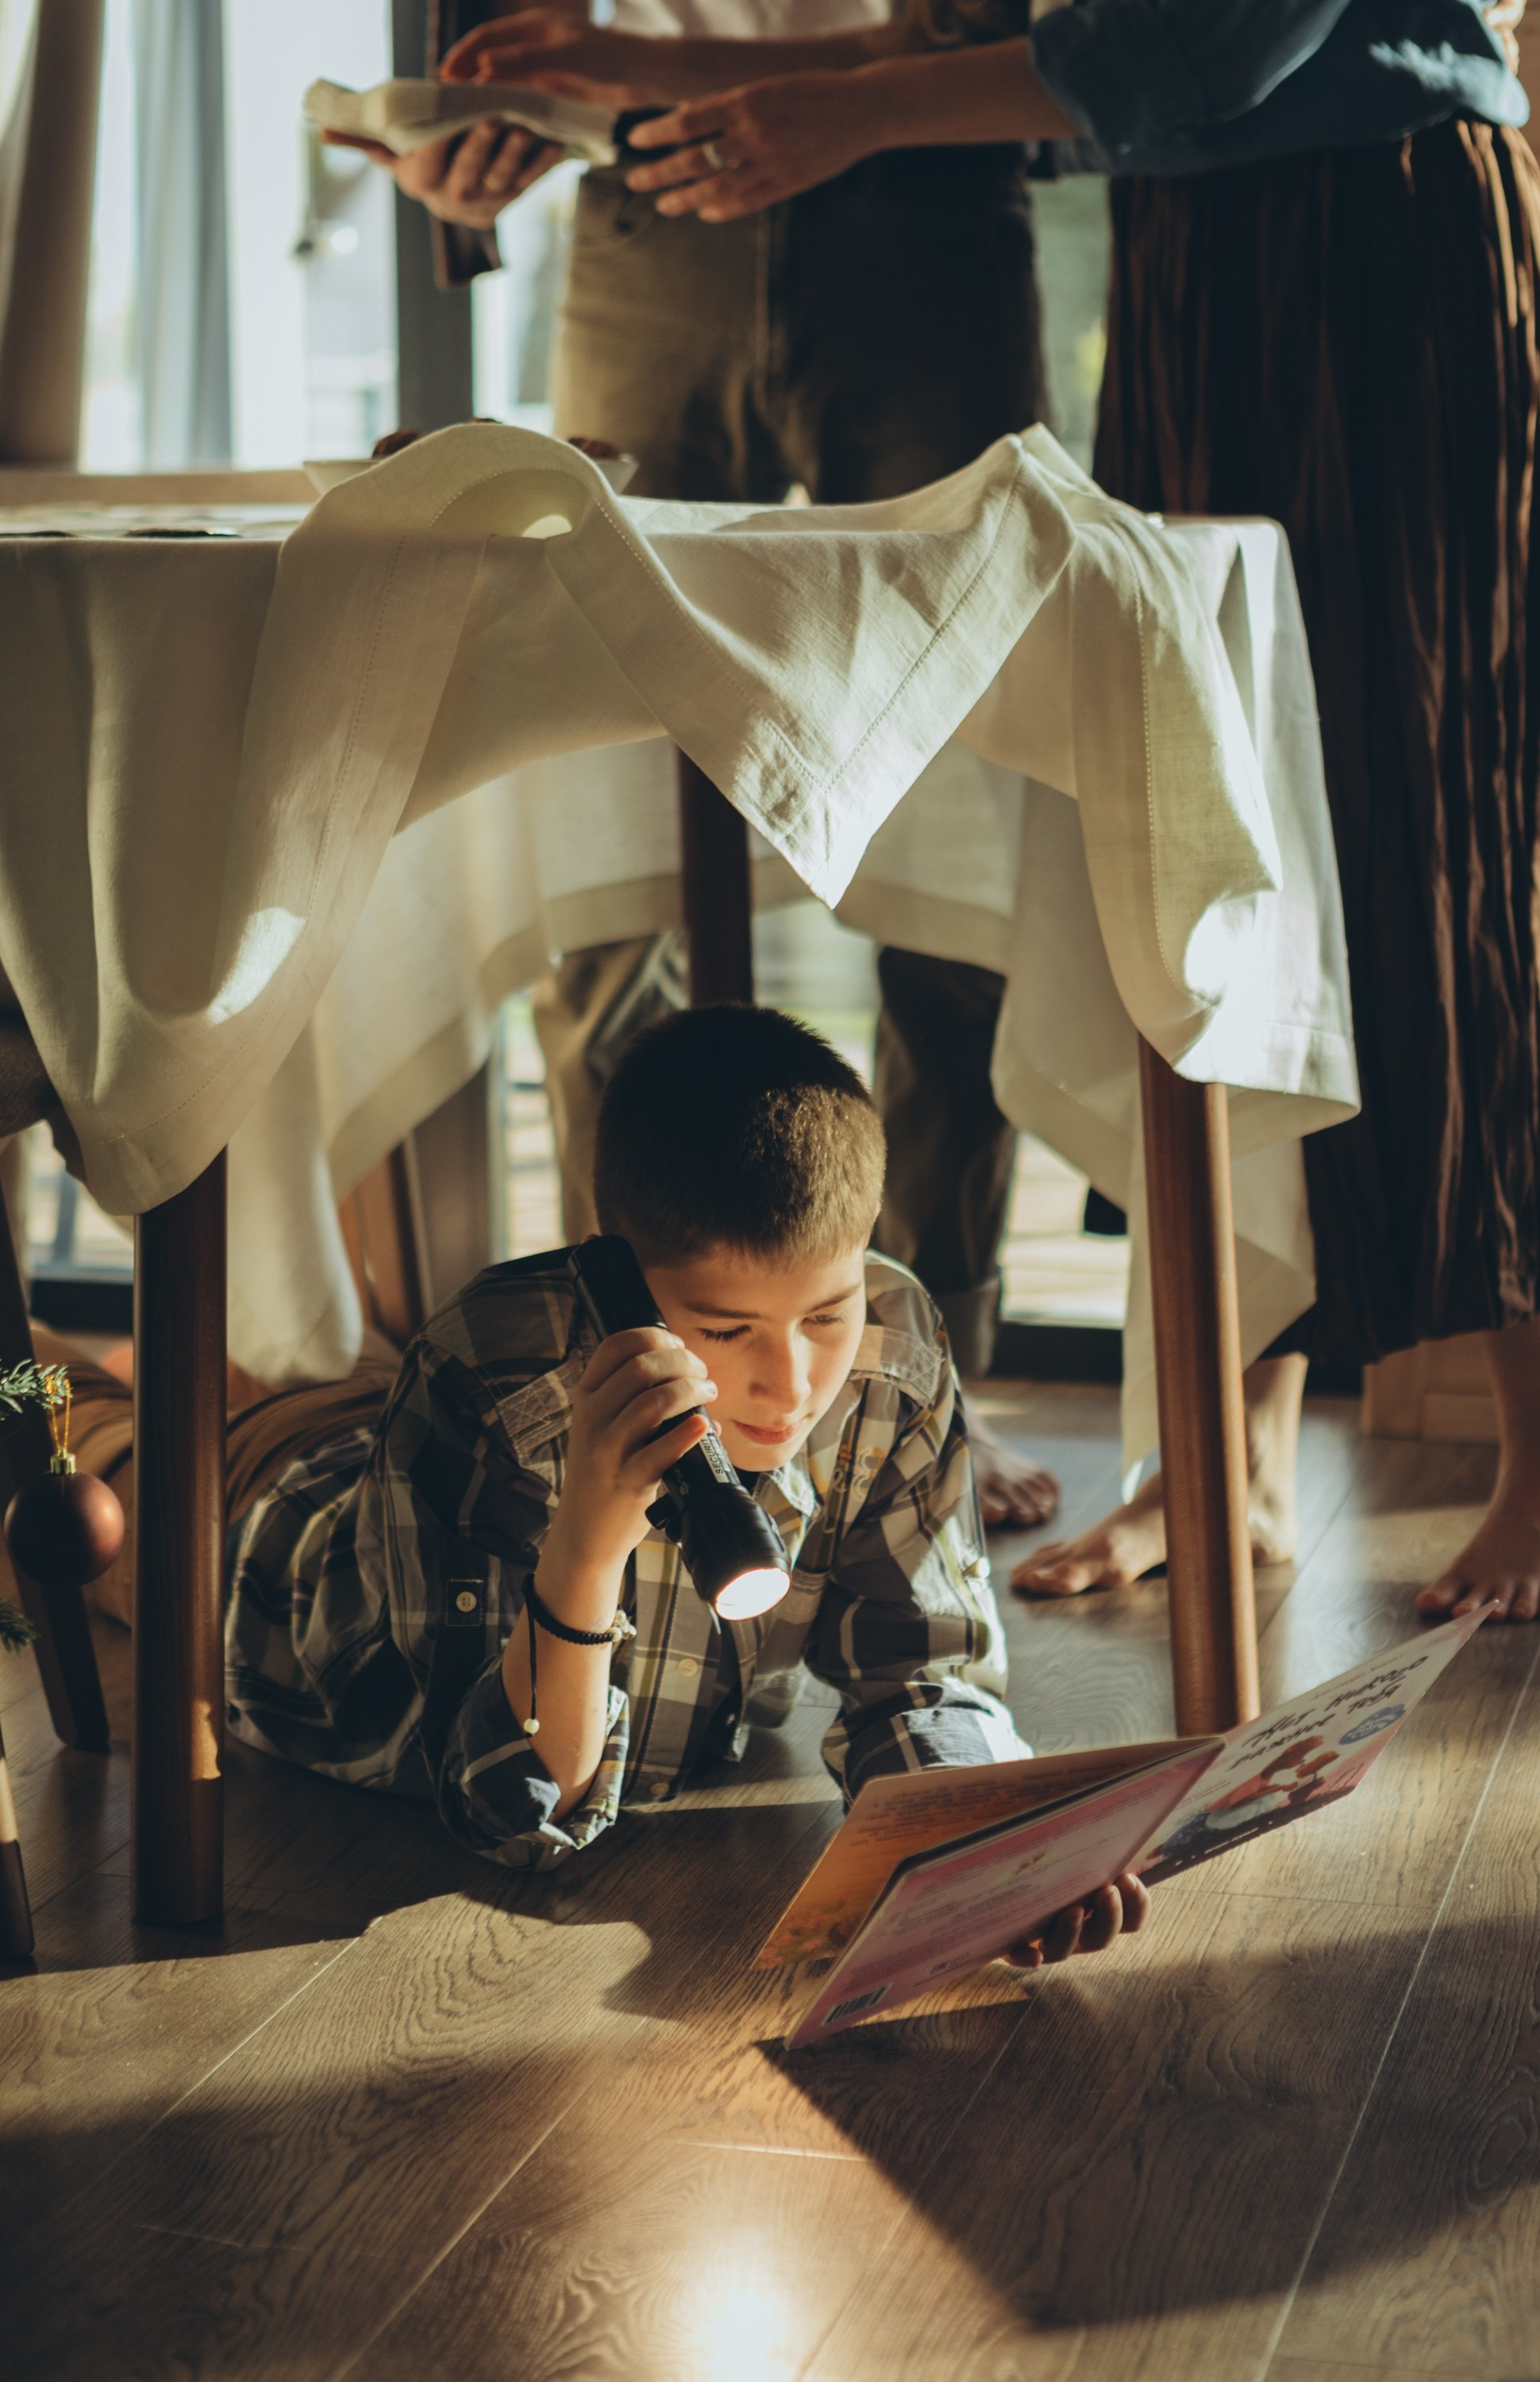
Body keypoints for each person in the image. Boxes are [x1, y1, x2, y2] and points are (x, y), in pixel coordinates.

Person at [540, 0, 1540, 1627]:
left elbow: (1207, 52)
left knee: (1440, 852)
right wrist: (647, 77)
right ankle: (1218, 1460)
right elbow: (1017, 60)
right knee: (1198, 834)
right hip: (1193, 258)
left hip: (1388, 247)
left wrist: (850, 117)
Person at [331, 0, 1061, 1531]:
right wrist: (471, 145)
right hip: (641, 220)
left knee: (958, 825)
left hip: (921, 204)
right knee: (593, 823)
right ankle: (636, 1391)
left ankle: (929, 1392)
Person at [56, 1007, 1144, 1964]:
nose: (792, 1382)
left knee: (274, 1377)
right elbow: (514, 1810)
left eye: (828, 1312)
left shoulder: (894, 1349)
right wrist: (585, 1543)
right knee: (72, 1469)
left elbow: (919, 1673)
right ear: (615, 1276)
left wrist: (1000, 1850)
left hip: (379, 1431)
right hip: (265, 1550)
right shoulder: (487, 1383)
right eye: (724, 1329)